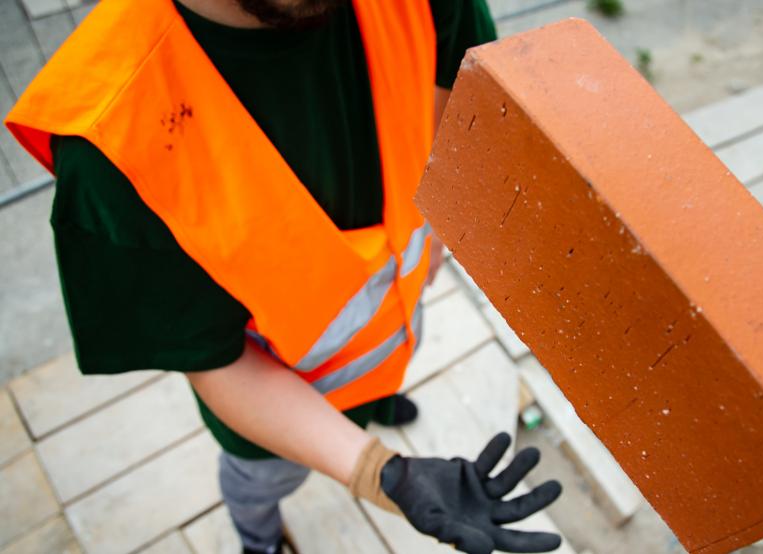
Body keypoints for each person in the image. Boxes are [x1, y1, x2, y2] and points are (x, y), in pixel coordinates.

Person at [5, 1, 563, 553]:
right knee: (262, 484)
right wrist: (380, 472)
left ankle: (379, 401)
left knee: (388, 374)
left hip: (397, 322)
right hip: (275, 418)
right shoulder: (112, 137)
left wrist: (439, 223)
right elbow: (213, 359)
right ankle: (258, 536)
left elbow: (454, 99)